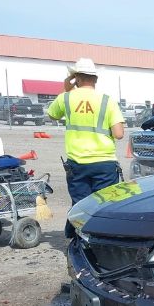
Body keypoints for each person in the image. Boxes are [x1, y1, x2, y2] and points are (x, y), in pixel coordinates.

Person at [46, 58, 125, 237]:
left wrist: (67, 89)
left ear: (76, 78)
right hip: (104, 162)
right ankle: (103, 239)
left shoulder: (65, 98)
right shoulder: (107, 101)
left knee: (80, 204)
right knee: (106, 204)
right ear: (95, 79)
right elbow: (119, 133)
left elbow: (52, 114)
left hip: (77, 163)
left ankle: (77, 239)